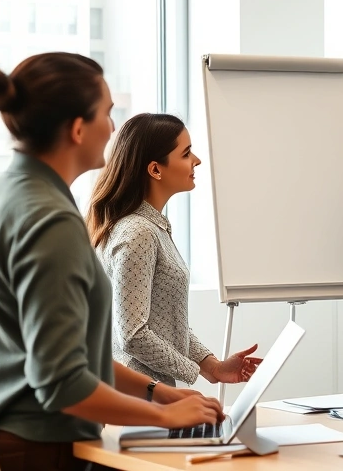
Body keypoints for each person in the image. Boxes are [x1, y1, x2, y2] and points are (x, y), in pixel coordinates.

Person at [0, 54, 221, 471]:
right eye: (107, 113)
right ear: (77, 128)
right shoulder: (49, 219)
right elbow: (62, 382)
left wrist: (157, 392)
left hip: (0, 438)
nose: (112, 127)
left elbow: (69, 355)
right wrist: (163, 416)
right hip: (39, 450)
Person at [87, 114, 262, 388]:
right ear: (155, 170)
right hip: (140, 394)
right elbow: (132, 334)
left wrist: (214, 368)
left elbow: (164, 324)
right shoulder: (139, 233)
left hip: (147, 392)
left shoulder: (150, 228)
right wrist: (191, 370)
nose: (197, 161)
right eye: (186, 153)